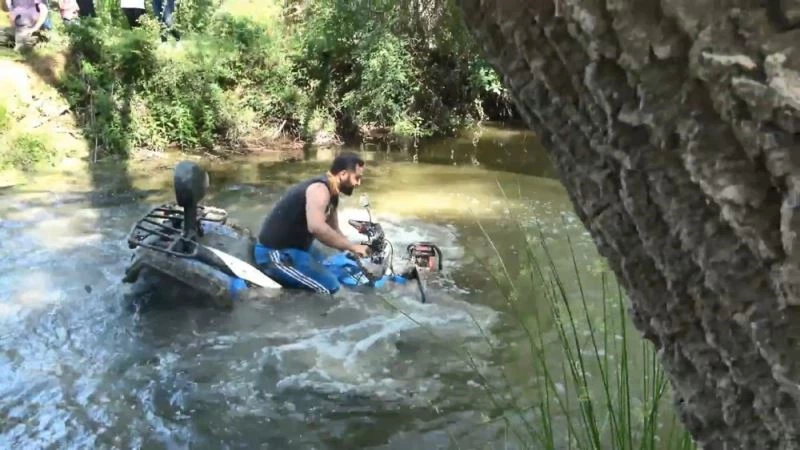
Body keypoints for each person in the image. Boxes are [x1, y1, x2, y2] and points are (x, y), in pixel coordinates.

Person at [254, 153, 371, 295]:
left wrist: (353, 252)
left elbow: (334, 229)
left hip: (298, 250)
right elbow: (317, 228)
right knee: (332, 289)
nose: (358, 183)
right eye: (356, 178)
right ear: (343, 174)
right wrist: (352, 246)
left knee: (332, 266)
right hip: (275, 253)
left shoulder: (332, 193)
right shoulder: (319, 189)